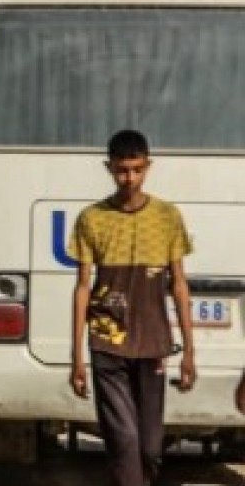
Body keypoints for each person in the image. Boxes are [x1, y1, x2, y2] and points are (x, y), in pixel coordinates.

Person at [68, 129, 195, 486]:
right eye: (122, 170)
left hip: (153, 343)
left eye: (137, 170)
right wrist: (76, 355)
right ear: (109, 168)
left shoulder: (168, 217)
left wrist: (189, 351)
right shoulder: (91, 219)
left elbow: (180, 285)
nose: (130, 179)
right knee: (123, 440)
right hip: (107, 342)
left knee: (151, 446)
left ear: (148, 167)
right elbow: (82, 287)